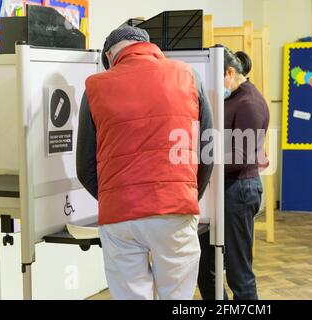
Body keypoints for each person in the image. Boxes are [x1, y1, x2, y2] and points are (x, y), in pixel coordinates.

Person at [76, 25, 214, 300]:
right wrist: (187, 194)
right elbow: (207, 151)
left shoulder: (95, 87)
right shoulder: (188, 76)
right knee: (177, 297)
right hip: (175, 209)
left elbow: (84, 167)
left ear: (110, 56)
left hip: (120, 216)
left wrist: (112, 198)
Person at [197, 46, 270, 300]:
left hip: (239, 190)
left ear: (230, 72)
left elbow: (241, 156)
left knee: (239, 274)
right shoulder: (230, 98)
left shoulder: (249, 102)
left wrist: (202, 163)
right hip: (221, 188)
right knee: (205, 269)